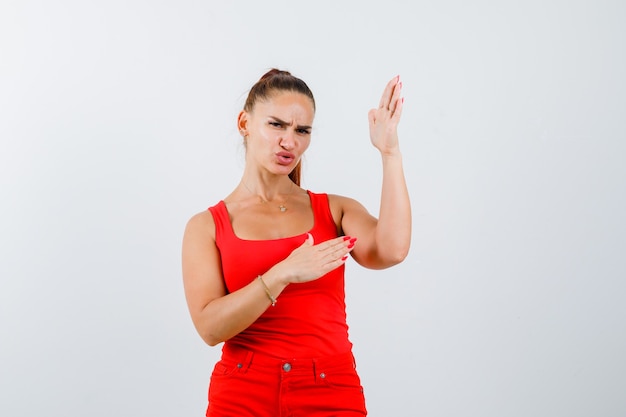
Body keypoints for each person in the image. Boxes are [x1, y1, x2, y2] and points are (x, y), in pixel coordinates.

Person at [181, 69, 411, 416]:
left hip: (330, 391)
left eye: (302, 130)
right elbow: (210, 329)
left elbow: (391, 250)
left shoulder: (334, 209)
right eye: (276, 125)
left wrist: (389, 153)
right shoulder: (207, 226)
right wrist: (281, 274)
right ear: (244, 123)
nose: (290, 142)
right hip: (243, 394)